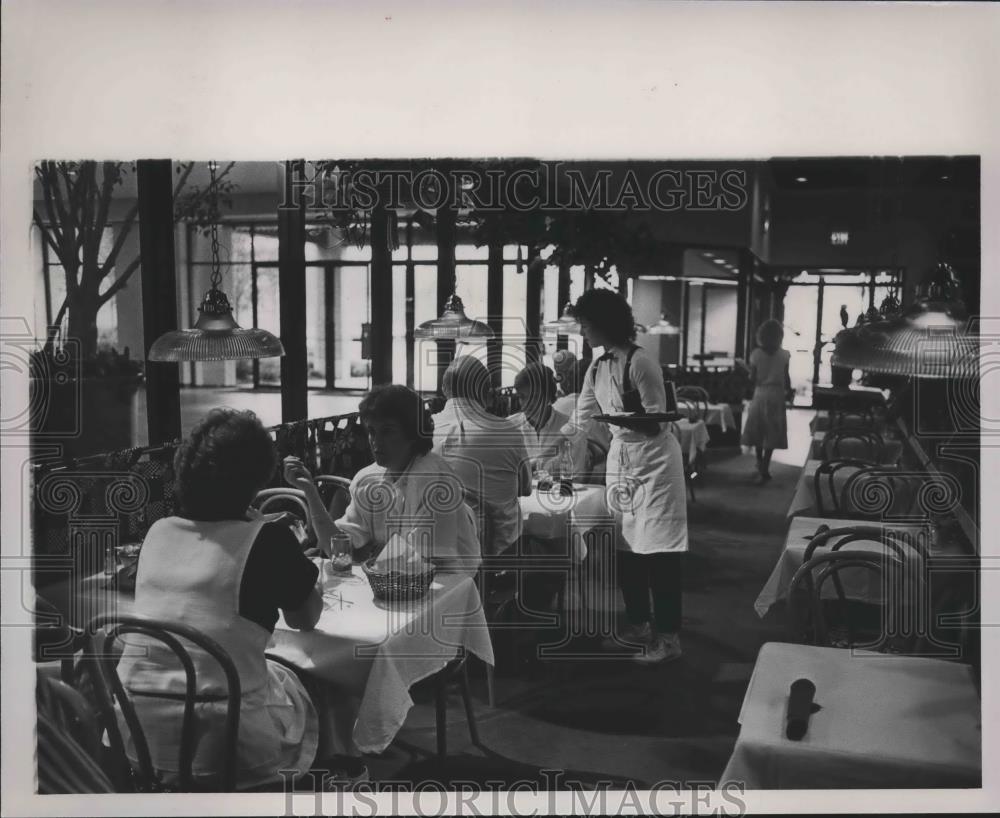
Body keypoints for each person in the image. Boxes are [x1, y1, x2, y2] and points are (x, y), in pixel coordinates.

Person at [115, 409, 322, 789]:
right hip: (224, 745)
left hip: (137, 736)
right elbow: (304, 618)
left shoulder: (159, 532)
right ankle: (337, 775)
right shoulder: (268, 538)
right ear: (257, 476)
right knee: (310, 689)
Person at [572, 288, 689, 664]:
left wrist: (620, 421)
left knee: (660, 551)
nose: (583, 331)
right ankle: (639, 624)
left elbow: (657, 419)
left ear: (604, 324)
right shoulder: (597, 366)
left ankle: (669, 637)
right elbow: (581, 417)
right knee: (627, 550)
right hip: (621, 461)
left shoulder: (642, 363)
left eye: (586, 324)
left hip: (655, 463)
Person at [287, 384, 482, 576]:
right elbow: (340, 553)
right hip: (395, 585)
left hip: (449, 588)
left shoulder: (435, 480)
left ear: (413, 434)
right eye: (371, 431)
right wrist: (310, 491)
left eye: (387, 431)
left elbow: (424, 565)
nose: (375, 441)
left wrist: (370, 552)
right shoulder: (367, 480)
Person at [430, 357, 531, 556]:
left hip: (439, 552)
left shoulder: (423, 432)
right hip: (501, 554)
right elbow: (525, 489)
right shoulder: (509, 431)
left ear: (444, 388)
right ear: (486, 393)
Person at [508, 362, 588, 477]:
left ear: (548, 396)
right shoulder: (509, 427)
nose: (527, 404)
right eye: (522, 397)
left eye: (534, 397)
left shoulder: (570, 428)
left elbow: (577, 476)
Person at [740, 318, 791, 482]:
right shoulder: (785, 354)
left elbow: (753, 379)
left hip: (760, 393)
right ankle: (765, 466)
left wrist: (748, 371)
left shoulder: (756, 354)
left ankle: (759, 460)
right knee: (773, 430)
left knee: (758, 429)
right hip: (777, 394)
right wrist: (788, 392)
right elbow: (786, 377)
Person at [551, 350, 613, 457]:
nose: (559, 378)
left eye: (564, 372)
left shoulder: (556, 406)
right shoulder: (605, 409)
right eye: (557, 372)